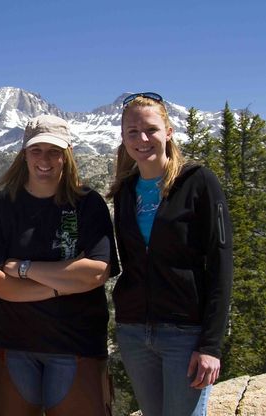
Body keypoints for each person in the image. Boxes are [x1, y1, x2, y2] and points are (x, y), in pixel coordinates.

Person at [0, 115, 119, 416]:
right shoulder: (1, 206)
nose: (45, 160)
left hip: (77, 346)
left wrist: (24, 269)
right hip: (13, 345)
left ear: (67, 154)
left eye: (54, 151)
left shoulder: (87, 203)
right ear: (24, 153)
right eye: (36, 150)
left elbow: (96, 272)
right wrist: (62, 285)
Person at [108, 92, 233, 416]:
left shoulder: (198, 182)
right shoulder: (125, 191)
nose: (142, 138)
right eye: (132, 132)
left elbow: (221, 266)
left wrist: (210, 345)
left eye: (150, 129)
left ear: (168, 131)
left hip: (185, 334)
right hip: (135, 332)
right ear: (123, 138)